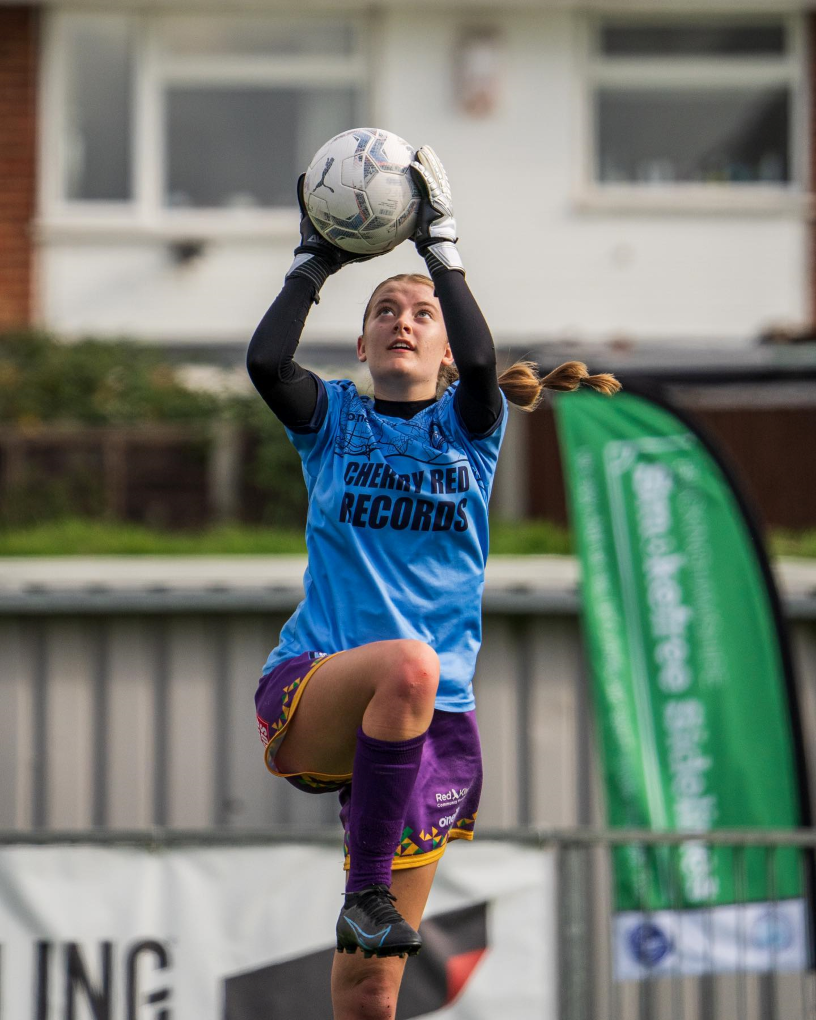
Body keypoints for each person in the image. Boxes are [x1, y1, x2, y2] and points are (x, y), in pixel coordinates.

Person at [247, 145, 619, 1020]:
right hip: (317, 686)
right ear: (365, 338)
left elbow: (488, 371)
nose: (402, 321)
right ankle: (366, 892)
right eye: (384, 310)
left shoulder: (468, 428)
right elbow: (268, 366)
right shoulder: (333, 421)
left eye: (420, 312)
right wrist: (316, 263)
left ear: (446, 347)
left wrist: (439, 250)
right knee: (407, 663)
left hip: (433, 723)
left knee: (373, 991)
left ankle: (366, 912)